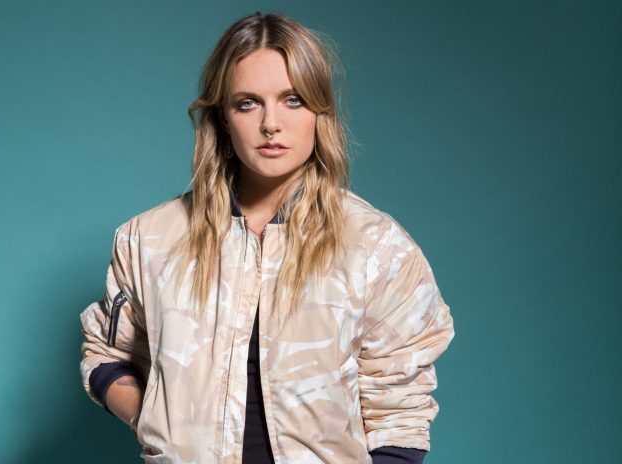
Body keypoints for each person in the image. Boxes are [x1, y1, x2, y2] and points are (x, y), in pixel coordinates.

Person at [80, 11, 454, 464]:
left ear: (319, 111)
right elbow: (105, 354)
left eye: (293, 100)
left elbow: (399, 411)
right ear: (222, 118)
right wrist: (154, 421)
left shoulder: (376, 246)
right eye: (248, 103)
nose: (270, 123)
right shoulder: (150, 239)